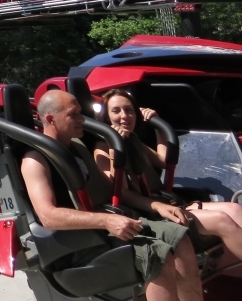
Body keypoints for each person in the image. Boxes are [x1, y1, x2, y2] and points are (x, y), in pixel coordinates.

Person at [21, 90, 202, 301]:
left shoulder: (77, 148)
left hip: (102, 224)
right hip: (75, 243)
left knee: (180, 237)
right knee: (156, 254)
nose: (82, 120)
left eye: (81, 113)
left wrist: (155, 205)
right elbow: (48, 216)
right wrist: (106, 220)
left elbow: (110, 191)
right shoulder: (35, 159)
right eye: (74, 115)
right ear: (51, 119)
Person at [94, 88, 242, 260]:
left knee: (234, 208)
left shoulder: (134, 141)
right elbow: (120, 191)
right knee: (221, 220)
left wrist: (157, 125)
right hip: (147, 214)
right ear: (106, 118)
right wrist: (115, 148)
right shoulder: (102, 147)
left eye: (129, 110)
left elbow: (163, 160)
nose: (124, 116)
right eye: (116, 111)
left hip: (165, 203)